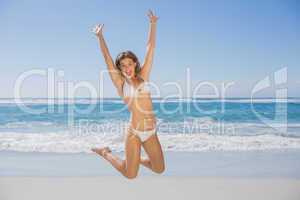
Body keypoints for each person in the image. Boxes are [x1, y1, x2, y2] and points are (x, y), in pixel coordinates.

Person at [91, 9, 165, 179]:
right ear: (120, 69)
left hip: (150, 131)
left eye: (129, 64)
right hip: (133, 132)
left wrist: (153, 25)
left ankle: (135, 159)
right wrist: (100, 37)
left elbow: (150, 48)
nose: (127, 68)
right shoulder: (120, 84)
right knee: (130, 174)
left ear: (135, 64)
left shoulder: (143, 76)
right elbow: (107, 57)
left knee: (159, 168)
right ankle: (105, 153)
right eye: (123, 66)